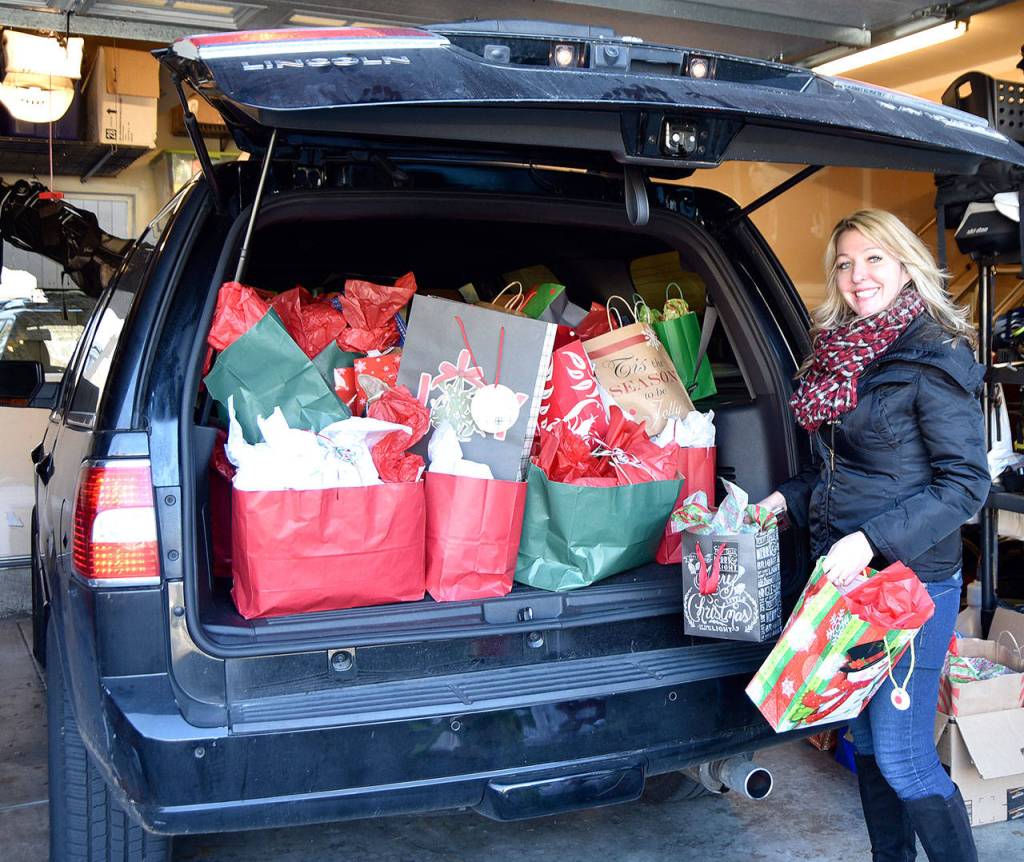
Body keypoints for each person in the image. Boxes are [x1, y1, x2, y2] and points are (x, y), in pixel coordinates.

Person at [759, 209, 988, 862]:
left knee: (904, 756)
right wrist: (786, 500)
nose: (858, 276)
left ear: (905, 263)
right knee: (863, 741)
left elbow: (964, 485)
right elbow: (845, 471)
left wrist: (870, 541)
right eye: (845, 263)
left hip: (911, 585)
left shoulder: (935, 355)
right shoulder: (847, 353)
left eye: (874, 259)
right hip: (850, 586)